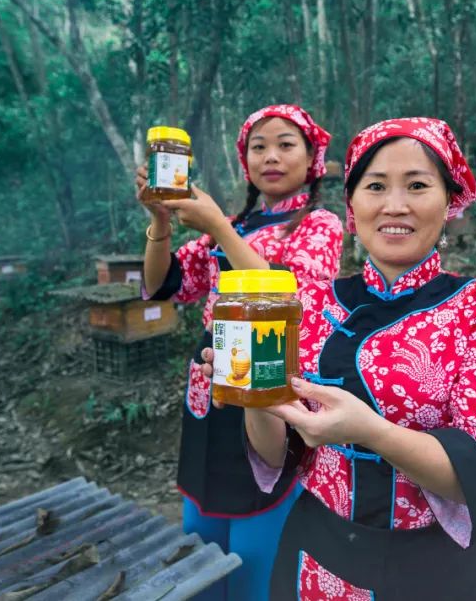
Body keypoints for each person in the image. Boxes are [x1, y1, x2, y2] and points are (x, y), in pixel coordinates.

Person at [198, 118, 476, 599]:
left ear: (449, 201)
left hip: (433, 569)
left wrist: (368, 431)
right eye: (375, 186)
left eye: (417, 185)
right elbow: (277, 453)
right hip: (316, 555)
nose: (394, 205)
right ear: (353, 207)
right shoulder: (312, 303)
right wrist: (256, 393)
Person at [136, 104, 344, 601]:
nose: (271, 156)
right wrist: (160, 221)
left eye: (286, 144)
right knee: (202, 542)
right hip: (211, 389)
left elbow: (289, 297)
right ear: (244, 160)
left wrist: (219, 228)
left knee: (258, 543)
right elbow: (162, 285)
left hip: (271, 379)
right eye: (259, 146)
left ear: (312, 158)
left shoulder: (319, 224)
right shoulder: (227, 223)